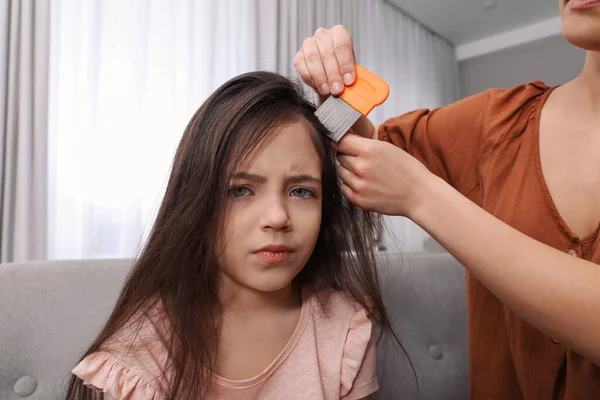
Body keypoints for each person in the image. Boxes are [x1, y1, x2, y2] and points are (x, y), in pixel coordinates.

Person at [293, 1, 600, 399]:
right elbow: (368, 153)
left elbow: (405, 181)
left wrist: (423, 196)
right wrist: (335, 93)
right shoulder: (497, 123)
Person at [65, 71, 394, 400]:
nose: (277, 217)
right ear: (197, 202)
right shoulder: (145, 349)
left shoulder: (342, 327)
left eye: (302, 192)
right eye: (240, 190)